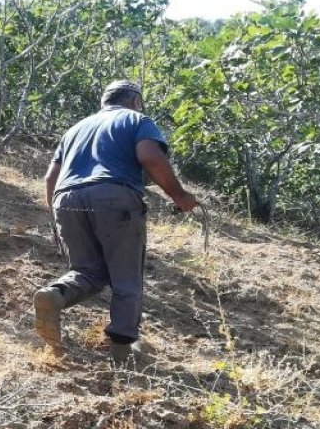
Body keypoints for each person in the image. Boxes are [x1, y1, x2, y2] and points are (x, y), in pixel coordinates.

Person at [34, 80, 199, 360]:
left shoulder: (74, 130)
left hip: (66, 200)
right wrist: (180, 196)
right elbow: (149, 155)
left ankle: (54, 295)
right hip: (114, 197)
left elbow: (51, 178)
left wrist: (55, 220)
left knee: (87, 271)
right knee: (127, 277)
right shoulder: (137, 119)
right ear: (134, 100)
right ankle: (121, 352)